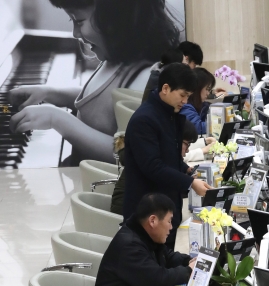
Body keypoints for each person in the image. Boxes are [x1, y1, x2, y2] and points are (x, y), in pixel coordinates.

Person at [8, 0, 181, 165]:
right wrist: (53, 94)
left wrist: (58, 120)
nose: (75, 33)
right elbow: (103, 103)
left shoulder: (144, 78)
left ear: (116, 17)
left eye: (79, 21)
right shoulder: (116, 61)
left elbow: (131, 152)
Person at [123, 63, 212, 249]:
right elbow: (153, 166)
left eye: (188, 96)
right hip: (148, 212)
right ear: (165, 88)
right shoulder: (145, 120)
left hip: (165, 205)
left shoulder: (169, 114)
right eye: (182, 95)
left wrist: (186, 170)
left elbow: (169, 155)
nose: (185, 101)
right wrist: (189, 183)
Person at [110, 119, 201, 216]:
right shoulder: (155, 163)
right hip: (128, 214)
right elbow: (169, 190)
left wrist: (186, 170)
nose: (187, 150)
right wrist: (190, 185)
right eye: (187, 144)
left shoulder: (159, 153)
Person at [180, 67, 216, 134]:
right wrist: (221, 122)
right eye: (207, 89)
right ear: (198, 88)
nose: (208, 93)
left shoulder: (203, 105)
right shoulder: (185, 106)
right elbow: (198, 128)